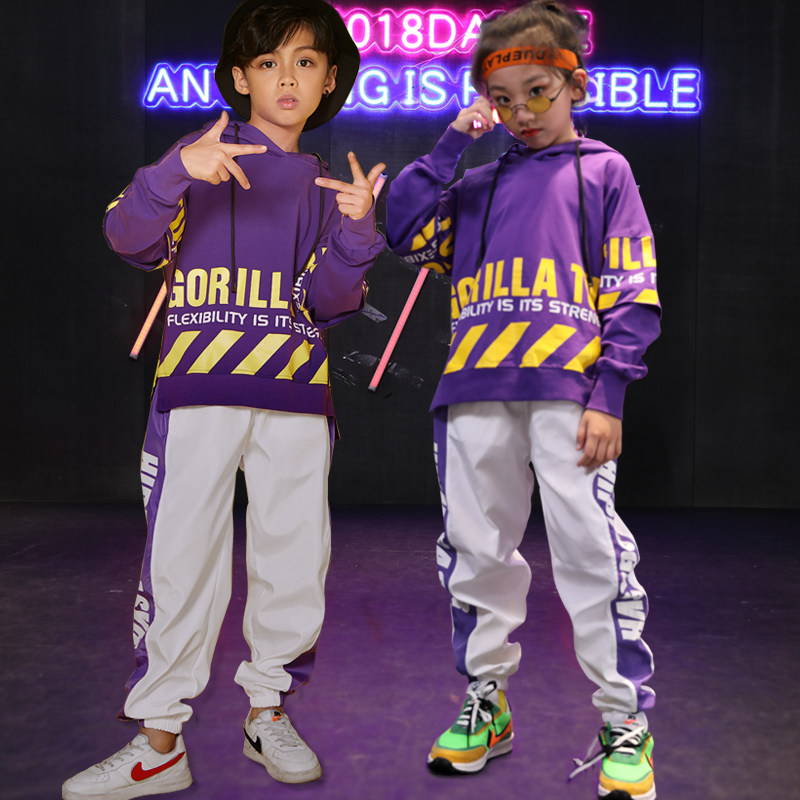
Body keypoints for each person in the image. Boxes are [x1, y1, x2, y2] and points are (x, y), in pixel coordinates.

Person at [62, 1, 385, 798]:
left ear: (329, 80)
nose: (287, 78)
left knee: (293, 561)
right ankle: (158, 742)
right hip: (198, 395)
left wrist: (358, 233)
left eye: (305, 62)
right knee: (180, 563)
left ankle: (267, 710)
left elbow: (330, 304)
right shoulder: (198, 157)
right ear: (240, 76)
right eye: (268, 62)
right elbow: (127, 237)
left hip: (296, 399)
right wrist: (175, 171)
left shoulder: (326, 187)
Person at [385, 2, 660, 798]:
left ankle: (624, 719)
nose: (521, 112)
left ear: (576, 84)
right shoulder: (473, 183)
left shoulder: (605, 171)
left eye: (538, 92)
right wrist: (455, 138)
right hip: (473, 391)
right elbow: (403, 227)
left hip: (569, 395)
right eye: (502, 100)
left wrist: (609, 392)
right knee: (476, 553)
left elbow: (633, 293)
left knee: (592, 553)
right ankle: (487, 702)